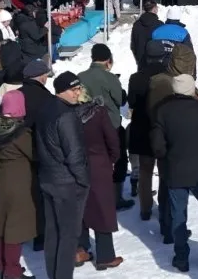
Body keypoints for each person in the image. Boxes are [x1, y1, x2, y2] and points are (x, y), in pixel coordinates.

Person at [151, 73, 198, 272]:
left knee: (178, 215)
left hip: (175, 171)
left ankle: (181, 258)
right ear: (191, 88)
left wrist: (168, 158)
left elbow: (157, 145)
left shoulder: (163, 110)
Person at [35, 72, 89, 279]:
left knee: (53, 234)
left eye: (79, 89)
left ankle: (53, 274)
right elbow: (75, 155)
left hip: (48, 179)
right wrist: (84, 181)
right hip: (66, 183)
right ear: (61, 91)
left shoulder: (45, 108)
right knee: (68, 236)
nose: (77, 93)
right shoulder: (66, 116)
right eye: (73, 90)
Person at [147, 43, 197, 242]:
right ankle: (174, 228)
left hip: (167, 143)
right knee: (175, 189)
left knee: (168, 185)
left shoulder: (160, 80)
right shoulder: (171, 84)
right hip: (175, 144)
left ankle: (168, 226)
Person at [77, 44, 133, 211]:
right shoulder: (110, 78)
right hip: (111, 124)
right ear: (108, 60)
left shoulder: (80, 77)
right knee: (119, 159)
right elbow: (120, 100)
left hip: (87, 126)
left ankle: (93, 196)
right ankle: (116, 197)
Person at [0, 89, 37, 279]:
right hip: (19, 182)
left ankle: (1, 265)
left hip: (1, 181)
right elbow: (34, 155)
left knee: (2, 223)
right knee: (15, 227)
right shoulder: (20, 133)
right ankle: (12, 271)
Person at [73, 85, 123, 270]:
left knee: (81, 207)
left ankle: (80, 249)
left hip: (76, 165)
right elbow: (112, 139)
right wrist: (111, 159)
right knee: (102, 209)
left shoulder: (68, 114)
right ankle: (105, 255)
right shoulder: (98, 112)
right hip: (99, 165)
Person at [127, 41, 168, 221]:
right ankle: (165, 206)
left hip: (142, 128)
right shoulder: (169, 77)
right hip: (164, 129)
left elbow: (132, 102)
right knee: (165, 171)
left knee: (145, 171)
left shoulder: (136, 78)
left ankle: (145, 208)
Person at [130, 0, 162, 71]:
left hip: (141, 62)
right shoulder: (160, 25)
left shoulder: (136, 24)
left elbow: (133, 45)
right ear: (154, 9)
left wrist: (138, 59)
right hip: (156, 62)